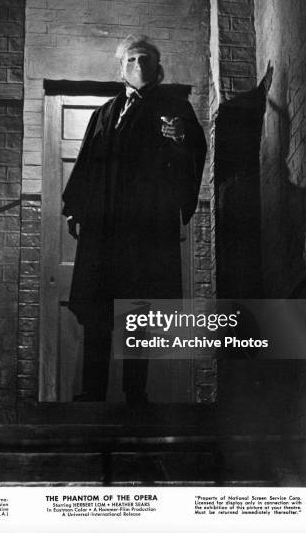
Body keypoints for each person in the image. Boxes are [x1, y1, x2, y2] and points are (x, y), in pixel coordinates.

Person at [62, 34, 207, 405]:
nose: (137, 66)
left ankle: (134, 393)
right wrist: (76, 208)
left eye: (144, 60)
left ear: (157, 68)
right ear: (120, 68)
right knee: (98, 308)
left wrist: (177, 140)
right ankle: (93, 390)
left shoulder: (174, 109)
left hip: (144, 228)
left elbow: (192, 151)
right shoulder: (103, 114)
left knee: (137, 309)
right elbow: (85, 165)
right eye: (130, 60)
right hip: (104, 227)